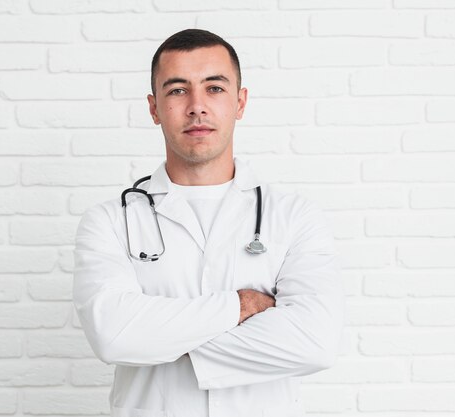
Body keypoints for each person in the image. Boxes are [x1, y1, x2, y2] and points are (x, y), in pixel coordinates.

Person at [73, 29, 345, 417]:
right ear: (154, 108)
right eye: (177, 90)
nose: (197, 106)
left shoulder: (294, 217)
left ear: (240, 101)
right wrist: (240, 305)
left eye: (214, 88)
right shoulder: (110, 221)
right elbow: (113, 335)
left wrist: (160, 338)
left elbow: (315, 342)